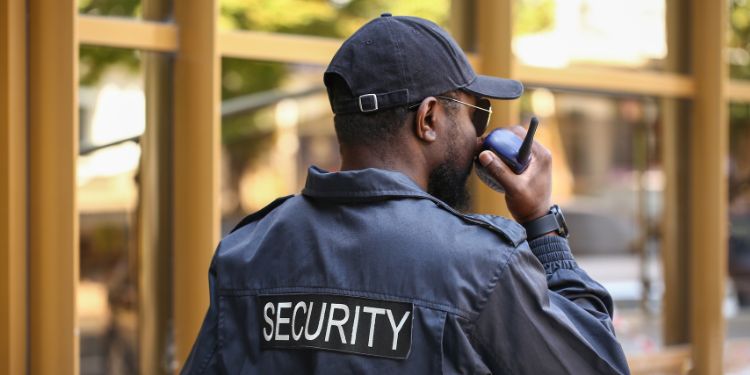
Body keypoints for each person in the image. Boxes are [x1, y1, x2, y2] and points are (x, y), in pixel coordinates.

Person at [182, 14, 630, 374]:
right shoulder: (480, 267)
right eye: (477, 112)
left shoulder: (247, 252)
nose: (481, 135)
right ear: (429, 119)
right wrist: (542, 225)